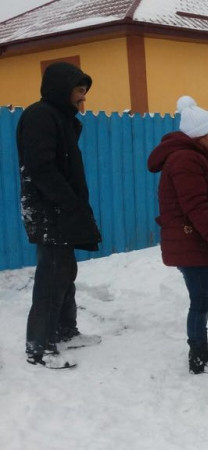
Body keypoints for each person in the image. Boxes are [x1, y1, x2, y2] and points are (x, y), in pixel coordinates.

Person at [16, 62, 103, 370]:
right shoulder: (40, 116)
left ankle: (65, 330)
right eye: (79, 91)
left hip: (59, 207)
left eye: (84, 92)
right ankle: (39, 346)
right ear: (61, 89)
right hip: (48, 209)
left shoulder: (61, 118)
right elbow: (41, 168)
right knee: (52, 275)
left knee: (65, 270)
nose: (83, 98)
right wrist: (69, 203)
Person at [147, 96, 208, 375]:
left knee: (205, 296)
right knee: (201, 299)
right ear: (199, 135)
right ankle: (198, 355)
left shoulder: (194, 157)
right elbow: (196, 206)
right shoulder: (185, 160)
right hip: (192, 239)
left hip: (195, 240)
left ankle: (203, 346)